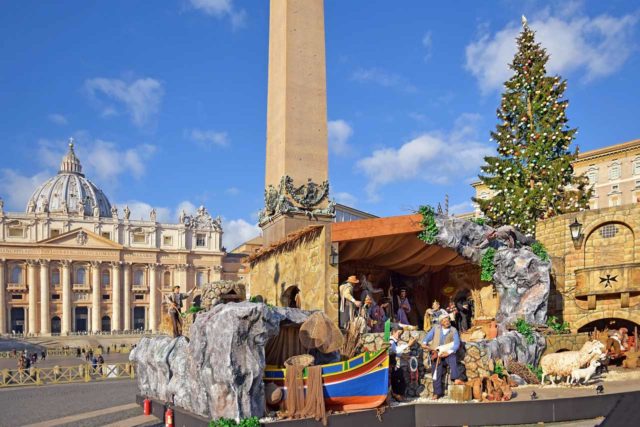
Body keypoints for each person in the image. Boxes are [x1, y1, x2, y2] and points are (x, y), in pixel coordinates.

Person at [421, 314, 464, 400]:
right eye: (444, 321)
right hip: (437, 354)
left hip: (447, 354)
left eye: (447, 320)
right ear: (441, 323)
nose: (447, 322)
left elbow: (456, 344)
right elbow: (426, 339)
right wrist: (425, 343)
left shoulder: (453, 330)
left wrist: (447, 352)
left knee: (452, 357)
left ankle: (455, 378)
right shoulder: (435, 328)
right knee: (436, 371)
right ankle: (437, 393)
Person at [389, 327, 416, 401]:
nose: (399, 336)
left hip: (392, 364)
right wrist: (408, 345)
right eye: (398, 333)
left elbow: (396, 352)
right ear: (393, 332)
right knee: (398, 377)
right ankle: (396, 395)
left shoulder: (393, 341)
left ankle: (398, 394)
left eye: (401, 334)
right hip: (390, 365)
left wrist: (404, 356)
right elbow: (395, 350)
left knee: (400, 376)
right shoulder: (391, 341)